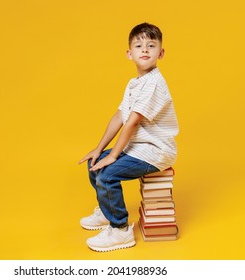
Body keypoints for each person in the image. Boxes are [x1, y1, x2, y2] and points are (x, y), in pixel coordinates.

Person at [78, 22, 179, 252]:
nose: (145, 50)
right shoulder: (135, 83)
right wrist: (99, 149)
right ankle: (107, 212)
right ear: (129, 53)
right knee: (95, 163)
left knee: (107, 175)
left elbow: (132, 123)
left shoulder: (154, 83)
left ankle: (121, 230)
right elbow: (119, 117)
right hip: (138, 147)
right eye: (139, 45)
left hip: (156, 150)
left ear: (160, 53)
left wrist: (113, 156)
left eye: (151, 45)